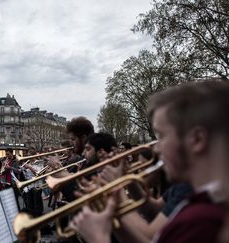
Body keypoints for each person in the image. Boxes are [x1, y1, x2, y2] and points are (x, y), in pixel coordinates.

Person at [71, 80, 229, 243]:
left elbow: (149, 235)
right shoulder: (201, 204)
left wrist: (98, 238)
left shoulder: (202, 219)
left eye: (161, 136)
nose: (157, 149)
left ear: (197, 139)